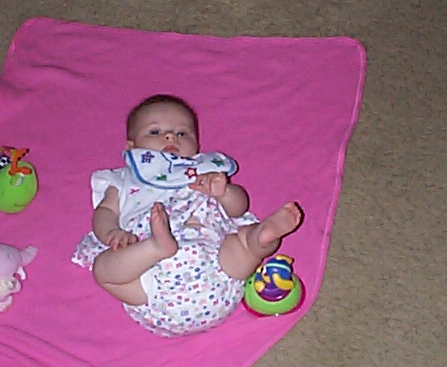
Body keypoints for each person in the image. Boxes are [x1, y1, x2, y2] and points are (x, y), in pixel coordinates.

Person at [71, 94, 302, 336]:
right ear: (131, 147)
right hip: (148, 284)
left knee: (244, 239)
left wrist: (224, 193)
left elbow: (238, 209)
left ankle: (261, 237)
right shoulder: (122, 180)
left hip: (218, 268)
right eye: (155, 132)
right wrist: (112, 232)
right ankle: (156, 247)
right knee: (105, 269)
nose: (171, 137)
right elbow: (106, 211)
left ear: (196, 146)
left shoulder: (201, 171)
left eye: (182, 133)